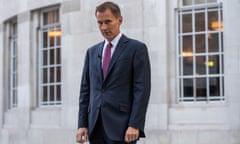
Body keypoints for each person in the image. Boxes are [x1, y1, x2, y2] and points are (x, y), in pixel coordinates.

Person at [76, 1, 151, 144]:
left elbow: (142, 90)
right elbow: (85, 91)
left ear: (120, 20)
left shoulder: (136, 49)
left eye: (108, 22)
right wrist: (82, 124)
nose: (104, 27)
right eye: (100, 23)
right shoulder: (91, 52)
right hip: (95, 126)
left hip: (122, 128)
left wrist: (134, 124)